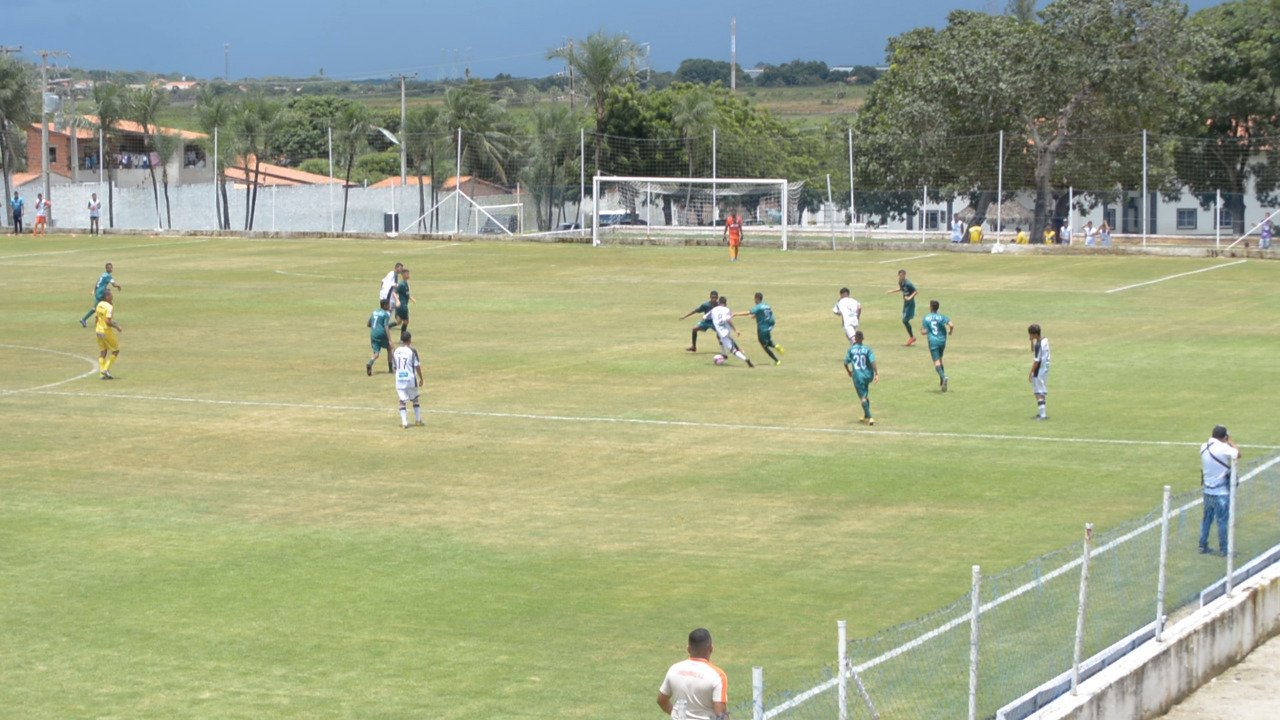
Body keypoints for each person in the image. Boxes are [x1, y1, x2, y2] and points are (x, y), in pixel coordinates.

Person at [657, 628, 728, 720]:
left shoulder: (674, 669)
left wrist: (676, 714)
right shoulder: (718, 676)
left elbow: (661, 700)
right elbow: (721, 715)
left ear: (688, 649)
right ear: (711, 648)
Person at [1199, 424, 1241, 556]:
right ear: (1224, 436)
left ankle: (1202, 545)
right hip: (1221, 491)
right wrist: (1230, 442)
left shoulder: (1203, 446)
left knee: (1207, 519)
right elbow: (1238, 454)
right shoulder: (1223, 448)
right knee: (1222, 520)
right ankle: (1224, 549)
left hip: (1207, 490)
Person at [734, 291, 784, 365]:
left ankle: (777, 361)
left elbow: (748, 312)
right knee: (768, 341)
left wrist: (736, 314)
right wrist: (756, 315)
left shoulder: (758, 307)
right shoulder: (766, 305)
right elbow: (768, 314)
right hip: (767, 328)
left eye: (754, 299)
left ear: (757, 299)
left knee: (764, 346)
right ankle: (776, 346)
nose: (754, 300)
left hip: (762, 329)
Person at [843, 330, 878, 425]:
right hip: (867, 375)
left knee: (862, 398)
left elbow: (845, 362)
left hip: (858, 377)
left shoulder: (851, 349)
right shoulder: (868, 349)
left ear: (855, 338)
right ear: (863, 338)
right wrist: (876, 373)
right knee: (865, 395)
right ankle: (866, 415)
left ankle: (870, 417)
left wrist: (849, 372)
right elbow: (872, 362)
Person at [707, 296, 754, 368]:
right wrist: (735, 330)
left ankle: (746, 360)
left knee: (733, 350)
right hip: (726, 331)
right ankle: (724, 354)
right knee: (721, 339)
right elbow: (729, 320)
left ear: (719, 302)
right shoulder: (727, 310)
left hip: (722, 333)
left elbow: (704, 317)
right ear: (725, 303)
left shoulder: (713, 309)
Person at [392, 330, 425, 429]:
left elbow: (395, 367)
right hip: (410, 379)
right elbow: (417, 366)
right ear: (410, 340)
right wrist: (421, 378)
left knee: (402, 401)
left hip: (399, 379)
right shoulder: (412, 351)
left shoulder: (396, 351)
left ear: (401, 340)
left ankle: (404, 423)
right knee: (415, 399)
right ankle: (418, 420)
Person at [920, 300, 954, 392]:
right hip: (942, 341)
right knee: (940, 359)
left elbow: (923, 332)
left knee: (936, 362)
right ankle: (941, 381)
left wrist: (926, 331)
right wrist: (950, 332)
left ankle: (944, 377)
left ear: (931, 307)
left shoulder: (926, 318)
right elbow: (951, 325)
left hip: (933, 342)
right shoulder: (941, 316)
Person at [80, 262, 122, 328]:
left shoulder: (103, 274)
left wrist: (94, 290)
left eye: (111, 267)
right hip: (101, 293)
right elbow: (114, 285)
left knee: (96, 308)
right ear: (107, 269)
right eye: (110, 268)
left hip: (98, 292)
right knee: (109, 304)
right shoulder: (108, 276)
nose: (111, 269)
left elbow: (97, 282)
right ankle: (108, 320)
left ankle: (84, 319)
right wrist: (118, 286)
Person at [94, 288, 123, 379]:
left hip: (98, 330)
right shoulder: (109, 307)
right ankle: (105, 369)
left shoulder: (99, 304)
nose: (112, 296)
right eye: (110, 294)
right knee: (116, 350)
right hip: (106, 331)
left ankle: (102, 374)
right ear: (107, 297)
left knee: (103, 351)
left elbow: (97, 318)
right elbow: (107, 321)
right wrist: (117, 326)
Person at [885, 269, 918, 346]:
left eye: (901, 275)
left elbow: (915, 291)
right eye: (899, 275)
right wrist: (891, 291)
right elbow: (901, 289)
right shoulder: (900, 282)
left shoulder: (908, 283)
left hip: (910, 304)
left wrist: (909, 297)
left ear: (904, 275)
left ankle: (912, 337)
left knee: (905, 320)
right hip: (906, 303)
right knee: (905, 320)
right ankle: (912, 337)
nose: (900, 277)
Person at [366, 299, 395, 376]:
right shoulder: (385, 314)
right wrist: (390, 340)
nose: (389, 306)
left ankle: (370, 363)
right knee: (389, 348)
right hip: (381, 333)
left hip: (373, 334)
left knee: (376, 353)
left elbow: (368, 324)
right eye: (388, 305)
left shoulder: (374, 312)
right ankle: (390, 369)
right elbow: (386, 327)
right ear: (384, 305)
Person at [1028, 323, 1050, 420]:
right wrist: (1032, 341)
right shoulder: (1045, 340)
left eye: (1031, 335)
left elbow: (1036, 361)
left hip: (1039, 370)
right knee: (1042, 390)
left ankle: (1042, 415)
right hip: (1045, 368)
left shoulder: (1038, 345)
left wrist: (1031, 373)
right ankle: (1042, 413)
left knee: (1038, 392)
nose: (1030, 336)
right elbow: (1034, 350)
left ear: (1035, 334)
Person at [393, 267, 416, 332]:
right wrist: (397, 301)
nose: (408, 275)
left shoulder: (405, 283)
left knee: (399, 322)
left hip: (402, 305)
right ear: (402, 275)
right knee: (406, 321)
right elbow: (394, 292)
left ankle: (386, 327)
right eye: (406, 274)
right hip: (402, 306)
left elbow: (406, 294)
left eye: (408, 274)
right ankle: (402, 339)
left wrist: (411, 298)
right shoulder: (401, 284)